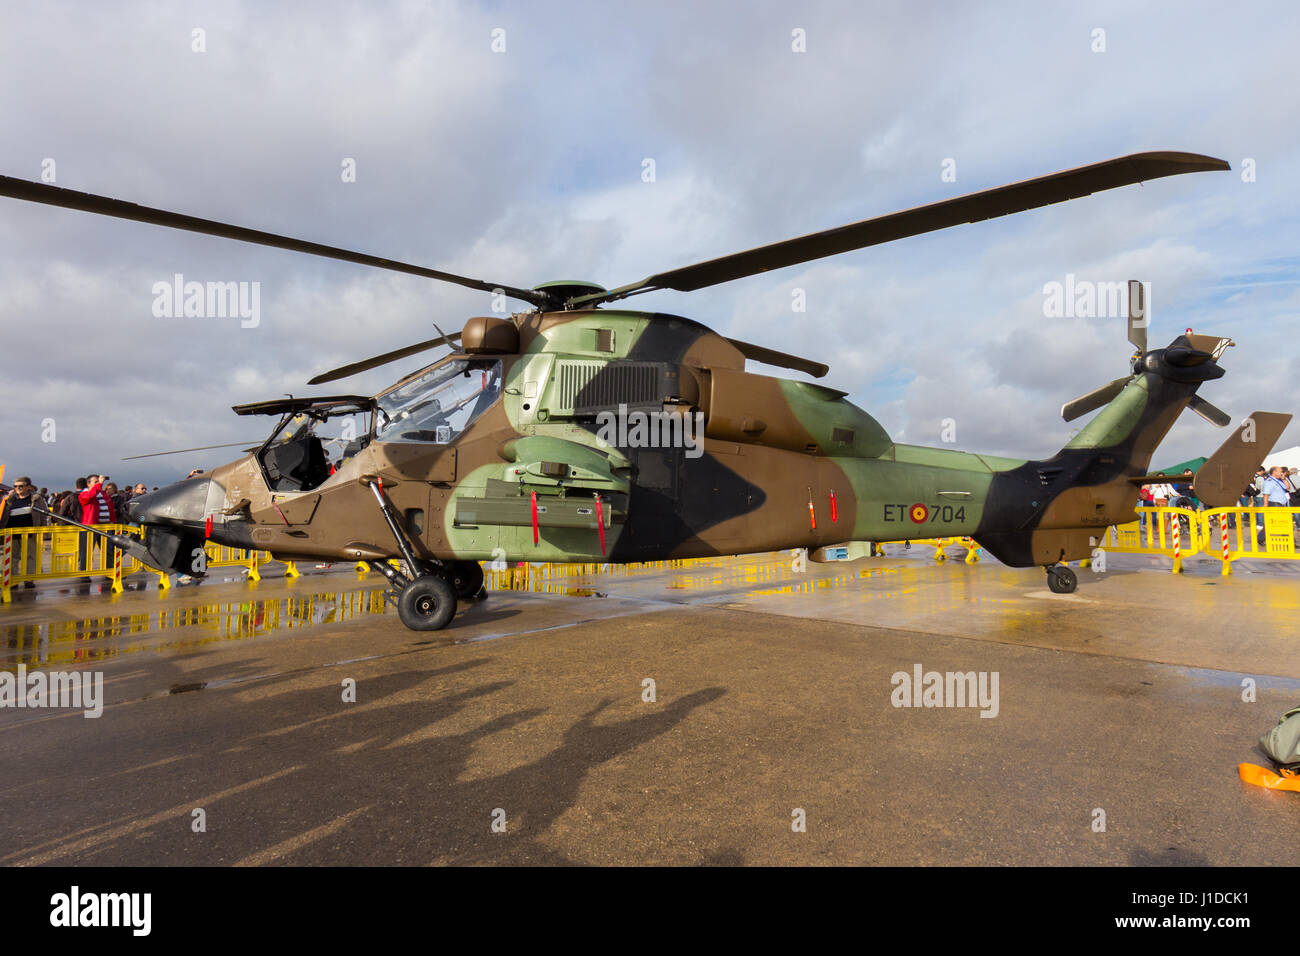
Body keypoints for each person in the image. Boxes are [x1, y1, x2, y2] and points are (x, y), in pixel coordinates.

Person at [0, 476, 48, 587]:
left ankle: (28, 579)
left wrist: (44, 531)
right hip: (12, 533)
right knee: (12, 557)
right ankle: (13, 580)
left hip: (30, 533)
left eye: (21, 486)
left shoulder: (36, 498)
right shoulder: (10, 499)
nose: (18, 488)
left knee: (30, 556)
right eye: (15, 486)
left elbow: (44, 515)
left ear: (28, 487)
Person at [78, 474, 118, 577]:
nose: (98, 484)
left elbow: (110, 508)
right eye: (95, 482)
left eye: (98, 482)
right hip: (90, 526)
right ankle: (84, 573)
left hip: (105, 526)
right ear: (88, 483)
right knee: (86, 551)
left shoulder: (103, 493)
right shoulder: (84, 493)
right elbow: (89, 496)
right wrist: (99, 484)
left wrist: (112, 521)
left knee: (108, 550)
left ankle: (109, 571)